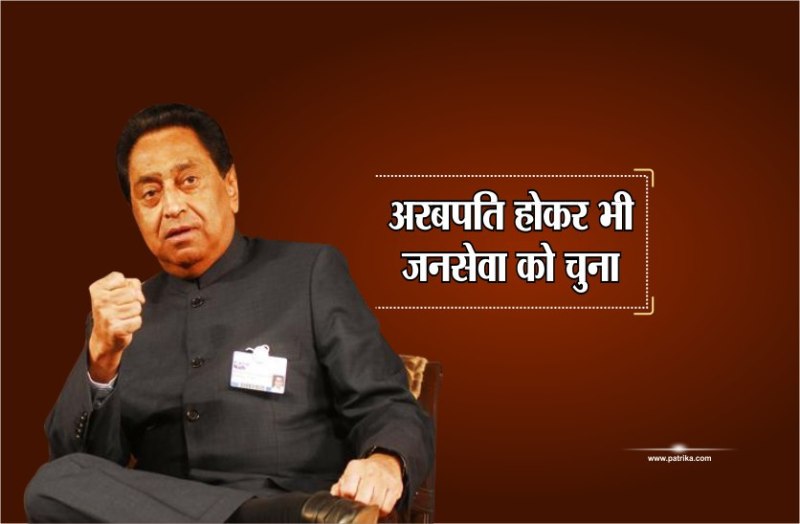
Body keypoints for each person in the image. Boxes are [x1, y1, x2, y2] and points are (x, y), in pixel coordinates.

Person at [24, 104, 434, 523]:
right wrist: (101, 357)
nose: (172, 207)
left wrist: (385, 461)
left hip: (296, 494)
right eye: (150, 194)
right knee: (52, 482)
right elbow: (80, 467)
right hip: (281, 517)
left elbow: (386, 402)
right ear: (135, 213)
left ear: (231, 186)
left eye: (188, 181)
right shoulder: (120, 319)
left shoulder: (308, 273)